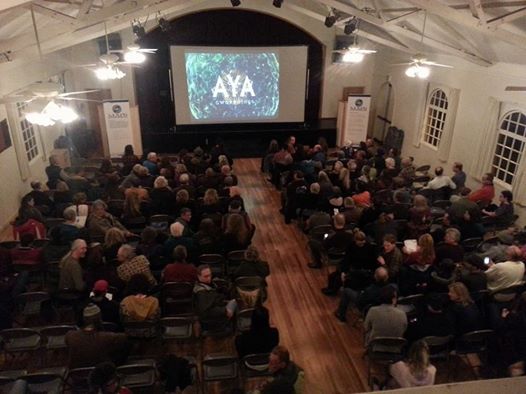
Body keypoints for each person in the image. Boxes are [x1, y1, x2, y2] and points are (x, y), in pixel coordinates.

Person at [65, 304, 129, 368]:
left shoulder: (70, 335)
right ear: (99, 319)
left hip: (75, 376)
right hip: (101, 376)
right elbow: (127, 338)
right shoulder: (107, 337)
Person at [193, 264, 237, 329]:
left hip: (216, 312)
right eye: (206, 276)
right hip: (211, 321)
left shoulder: (207, 285)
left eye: (210, 275)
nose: (209, 278)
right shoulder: (201, 292)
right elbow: (207, 312)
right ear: (199, 276)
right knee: (234, 302)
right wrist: (225, 311)